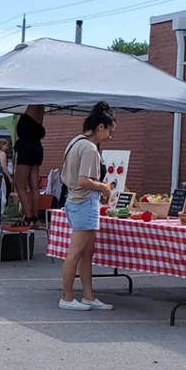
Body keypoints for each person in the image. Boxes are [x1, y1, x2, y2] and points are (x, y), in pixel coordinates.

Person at [58, 101, 116, 312]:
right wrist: (104, 187)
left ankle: (88, 296)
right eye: (110, 130)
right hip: (83, 201)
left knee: (86, 252)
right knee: (76, 252)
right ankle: (67, 296)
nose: (110, 136)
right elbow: (84, 180)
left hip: (74, 200)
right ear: (101, 126)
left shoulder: (76, 141)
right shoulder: (90, 148)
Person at [13, 104, 46, 226]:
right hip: (36, 148)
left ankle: (28, 216)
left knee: (20, 185)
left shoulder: (32, 106)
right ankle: (35, 217)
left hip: (26, 149)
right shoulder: (41, 109)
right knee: (34, 186)